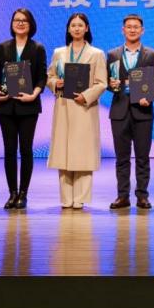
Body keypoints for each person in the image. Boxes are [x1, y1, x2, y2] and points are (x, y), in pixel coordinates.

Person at [46, 13, 107, 209]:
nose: (77, 28)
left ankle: (80, 197)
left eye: (81, 25)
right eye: (73, 25)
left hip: (84, 107)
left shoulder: (97, 54)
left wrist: (86, 96)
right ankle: (66, 197)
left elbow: (102, 83)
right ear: (68, 29)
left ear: (87, 28)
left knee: (83, 153)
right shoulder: (59, 53)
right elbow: (49, 76)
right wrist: (55, 83)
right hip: (64, 106)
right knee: (63, 152)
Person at [0, 8, 48, 210]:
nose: (20, 23)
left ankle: (23, 194)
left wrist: (34, 94)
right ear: (12, 23)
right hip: (6, 105)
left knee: (25, 149)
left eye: (24, 20)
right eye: (17, 20)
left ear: (30, 24)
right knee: (9, 150)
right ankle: (12, 193)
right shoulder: (3, 47)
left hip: (28, 105)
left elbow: (42, 77)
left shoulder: (37, 48)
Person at [106, 14, 154, 210]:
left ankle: (142, 196)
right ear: (123, 30)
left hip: (143, 111)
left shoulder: (152, 54)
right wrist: (111, 85)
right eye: (128, 27)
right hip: (119, 110)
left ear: (142, 30)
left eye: (136, 27)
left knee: (142, 157)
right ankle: (122, 196)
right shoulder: (112, 54)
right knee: (121, 158)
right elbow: (107, 82)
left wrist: (150, 97)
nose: (132, 30)